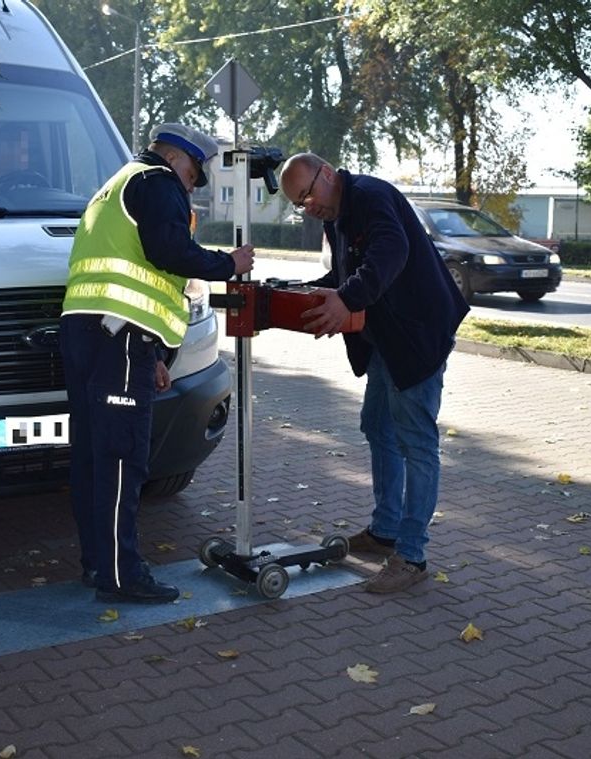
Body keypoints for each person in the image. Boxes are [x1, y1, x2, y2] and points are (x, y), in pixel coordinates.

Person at [61, 123, 255, 604]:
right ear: (180, 159)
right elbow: (168, 252)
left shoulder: (117, 185)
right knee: (123, 458)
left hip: (94, 336)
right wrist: (230, 264)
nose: (192, 188)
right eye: (195, 177)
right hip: (118, 340)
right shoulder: (157, 182)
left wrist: (154, 353)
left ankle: (99, 564)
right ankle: (123, 574)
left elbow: (129, 273)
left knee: (93, 456)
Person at [279, 152, 469, 594]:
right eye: (299, 204)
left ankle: (412, 555)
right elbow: (351, 270)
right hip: (386, 336)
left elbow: (391, 251)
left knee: (416, 440)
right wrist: (311, 291)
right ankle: (384, 532)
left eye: (308, 195)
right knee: (377, 426)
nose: (309, 208)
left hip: (418, 334)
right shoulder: (337, 212)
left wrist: (346, 298)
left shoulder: (369, 196)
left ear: (327, 173)